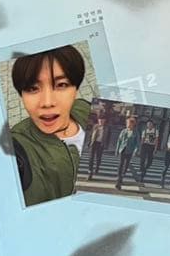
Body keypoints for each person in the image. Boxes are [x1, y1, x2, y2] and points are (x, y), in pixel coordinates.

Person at [9, 45, 90, 207]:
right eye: (32, 88)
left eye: (61, 85)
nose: (47, 102)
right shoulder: (16, 145)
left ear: (76, 89)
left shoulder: (85, 108)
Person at [114, 115, 139, 189]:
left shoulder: (136, 132)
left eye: (129, 123)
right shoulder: (123, 131)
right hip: (122, 149)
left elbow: (137, 143)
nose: (128, 125)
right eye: (127, 123)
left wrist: (135, 151)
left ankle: (122, 176)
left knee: (126, 165)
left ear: (133, 124)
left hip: (129, 151)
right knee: (121, 164)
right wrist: (117, 150)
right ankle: (119, 179)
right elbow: (119, 141)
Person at [87, 113, 109, 178]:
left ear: (105, 120)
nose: (101, 121)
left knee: (98, 158)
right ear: (98, 120)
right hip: (94, 143)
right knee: (91, 157)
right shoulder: (95, 126)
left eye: (102, 120)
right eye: (99, 119)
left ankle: (97, 167)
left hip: (101, 144)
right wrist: (89, 142)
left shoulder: (107, 128)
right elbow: (91, 134)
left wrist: (106, 145)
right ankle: (90, 171)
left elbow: (108, 137)